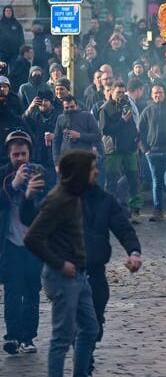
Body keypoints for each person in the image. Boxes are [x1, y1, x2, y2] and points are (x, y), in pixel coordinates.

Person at [24, 150, 100, 377]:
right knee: (62, 339)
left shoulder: (75, 195)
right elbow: (32, 237)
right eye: (92, 169)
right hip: (62, 277)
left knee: (89, 328)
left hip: (79, 276)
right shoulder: (59, 200)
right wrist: (59, 264)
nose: (96, 172)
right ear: (80, 173)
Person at [82, 178, 141, 354]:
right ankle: (83, 367)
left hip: (95, 269)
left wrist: (134, 252)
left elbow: (123, 228)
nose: (96, 173)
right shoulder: (62, 198)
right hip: (69, 271)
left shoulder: (105, 199)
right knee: (77, 326)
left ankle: (86, 357)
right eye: (91, 170)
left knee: (94, 321)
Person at [1, 131, 45, 355]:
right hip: (10, 243)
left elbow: (47, 203)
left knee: (31, 290)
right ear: (9, 154)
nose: (20, 158)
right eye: (15, 154)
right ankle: (13, 336)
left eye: (23, 154)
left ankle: (28, 337)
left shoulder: (39, 172)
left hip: (33, 243)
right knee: (12, 291)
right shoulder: (3, 175)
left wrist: (31, 192)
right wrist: (13, 184)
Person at [99, 82, 142, 221]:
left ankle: (135, 211)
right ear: (111, 92)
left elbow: (133, 125)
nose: (121, 95)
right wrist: (122, 121)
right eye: (118, 92)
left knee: (134, 180)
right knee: (111, 181)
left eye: (123, 92)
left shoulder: (126, 105)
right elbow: (105, 130)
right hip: (113, 150)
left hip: (129, 148)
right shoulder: (105, 108)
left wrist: (137, 139)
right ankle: (108, 211)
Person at [138, 83, 166, 222]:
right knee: (156, 182)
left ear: (164, 94)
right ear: (151, 95)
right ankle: (157, 210)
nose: (158, 95)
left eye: (160, 92)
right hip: (152, 153)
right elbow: (140, 132)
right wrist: (145, 150)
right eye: (155, 93)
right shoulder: (147, 111)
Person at [53, 95, 102, 165]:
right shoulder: (60, 118)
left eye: (72, 107)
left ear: (77, 106)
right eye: (66, 108)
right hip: (66, 159)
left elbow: (97, 136)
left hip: (84, 158)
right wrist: (57, 163)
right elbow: (56, 141)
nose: (69, 109)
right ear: (63, 108)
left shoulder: (87, 116)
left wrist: (79, 135)